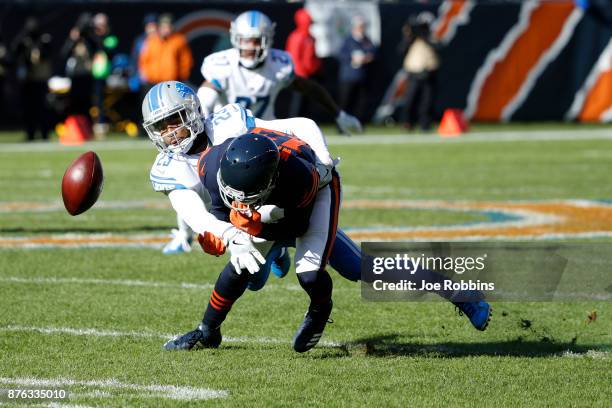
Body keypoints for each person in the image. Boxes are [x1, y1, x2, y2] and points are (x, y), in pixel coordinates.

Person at [141, 82, 492, 352]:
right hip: (249, 209)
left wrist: (322, 162)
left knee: (354, 268)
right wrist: (233, 235)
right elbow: (192, 211)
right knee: (243, 271)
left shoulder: (230, 122)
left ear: (193, 112)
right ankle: (208, 331)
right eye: (161, 127)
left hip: (301, 193)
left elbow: (300, 126)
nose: (169, 133)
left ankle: (458, 292)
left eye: (173, 122)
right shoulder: (171, 167)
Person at [163, 10, 361, 255]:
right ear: (234, 38)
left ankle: (283, 244)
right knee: (197, 185)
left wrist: (338, 113)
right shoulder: (221, 65)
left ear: (267, 39)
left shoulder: (279, 64)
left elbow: (307, 87)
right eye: (244, 39)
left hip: (271, 136)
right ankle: (186, 235)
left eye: (255, 40)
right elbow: (205, 95)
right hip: (230, 138)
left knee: (273, 203)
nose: (248, 46)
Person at [11, 17, 53, 141]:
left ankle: (45, 133)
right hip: (28, 80)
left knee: (43, 108)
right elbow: (15, 50)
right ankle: (30, 133)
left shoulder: (44, 39)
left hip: (41, 79)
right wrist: (23, 36)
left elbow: (47, 54)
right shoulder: (25, 40)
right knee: (29, 109)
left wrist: (39, 44)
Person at [400, 12, 439, 131]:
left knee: (427, 102)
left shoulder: (431, 37)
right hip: (414, 73)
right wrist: (410, 34)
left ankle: (425, 124)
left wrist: (424, 35)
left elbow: (438, 46)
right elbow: (401, 49)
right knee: (410, 100)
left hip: (429, 73)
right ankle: (408, 123)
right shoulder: (413, 38)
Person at [337, 15, 377, 124]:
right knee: (345, 103)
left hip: (362, 76)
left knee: (361, 103)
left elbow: (373, 52)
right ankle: (342, 126)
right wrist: (352, 58)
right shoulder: (348, 40)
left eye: (363, 26)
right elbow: (341, 55)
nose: (361, 29)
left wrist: (368, 57)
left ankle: (358, 125)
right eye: (359, 26)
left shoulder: (367, 41)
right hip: (349, 77)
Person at [139, 13, 193, 92]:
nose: (166, 29)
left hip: (171, 84)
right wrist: (145, 74)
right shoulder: (151, 40)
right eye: (163, 27)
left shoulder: (179, 40)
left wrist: (181, 78)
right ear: (159, 27)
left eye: (168, 26)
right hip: (151, 82)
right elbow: (143, 60)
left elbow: (186, 61)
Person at [285, 8, 322, 117]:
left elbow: (312, 57)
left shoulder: (310, 37)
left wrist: (316, 69)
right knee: (297, 104)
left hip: (310, 76)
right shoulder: (296, 37)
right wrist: (300, 75)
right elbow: (294, 58)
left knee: (307, 104)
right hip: (300, 77)